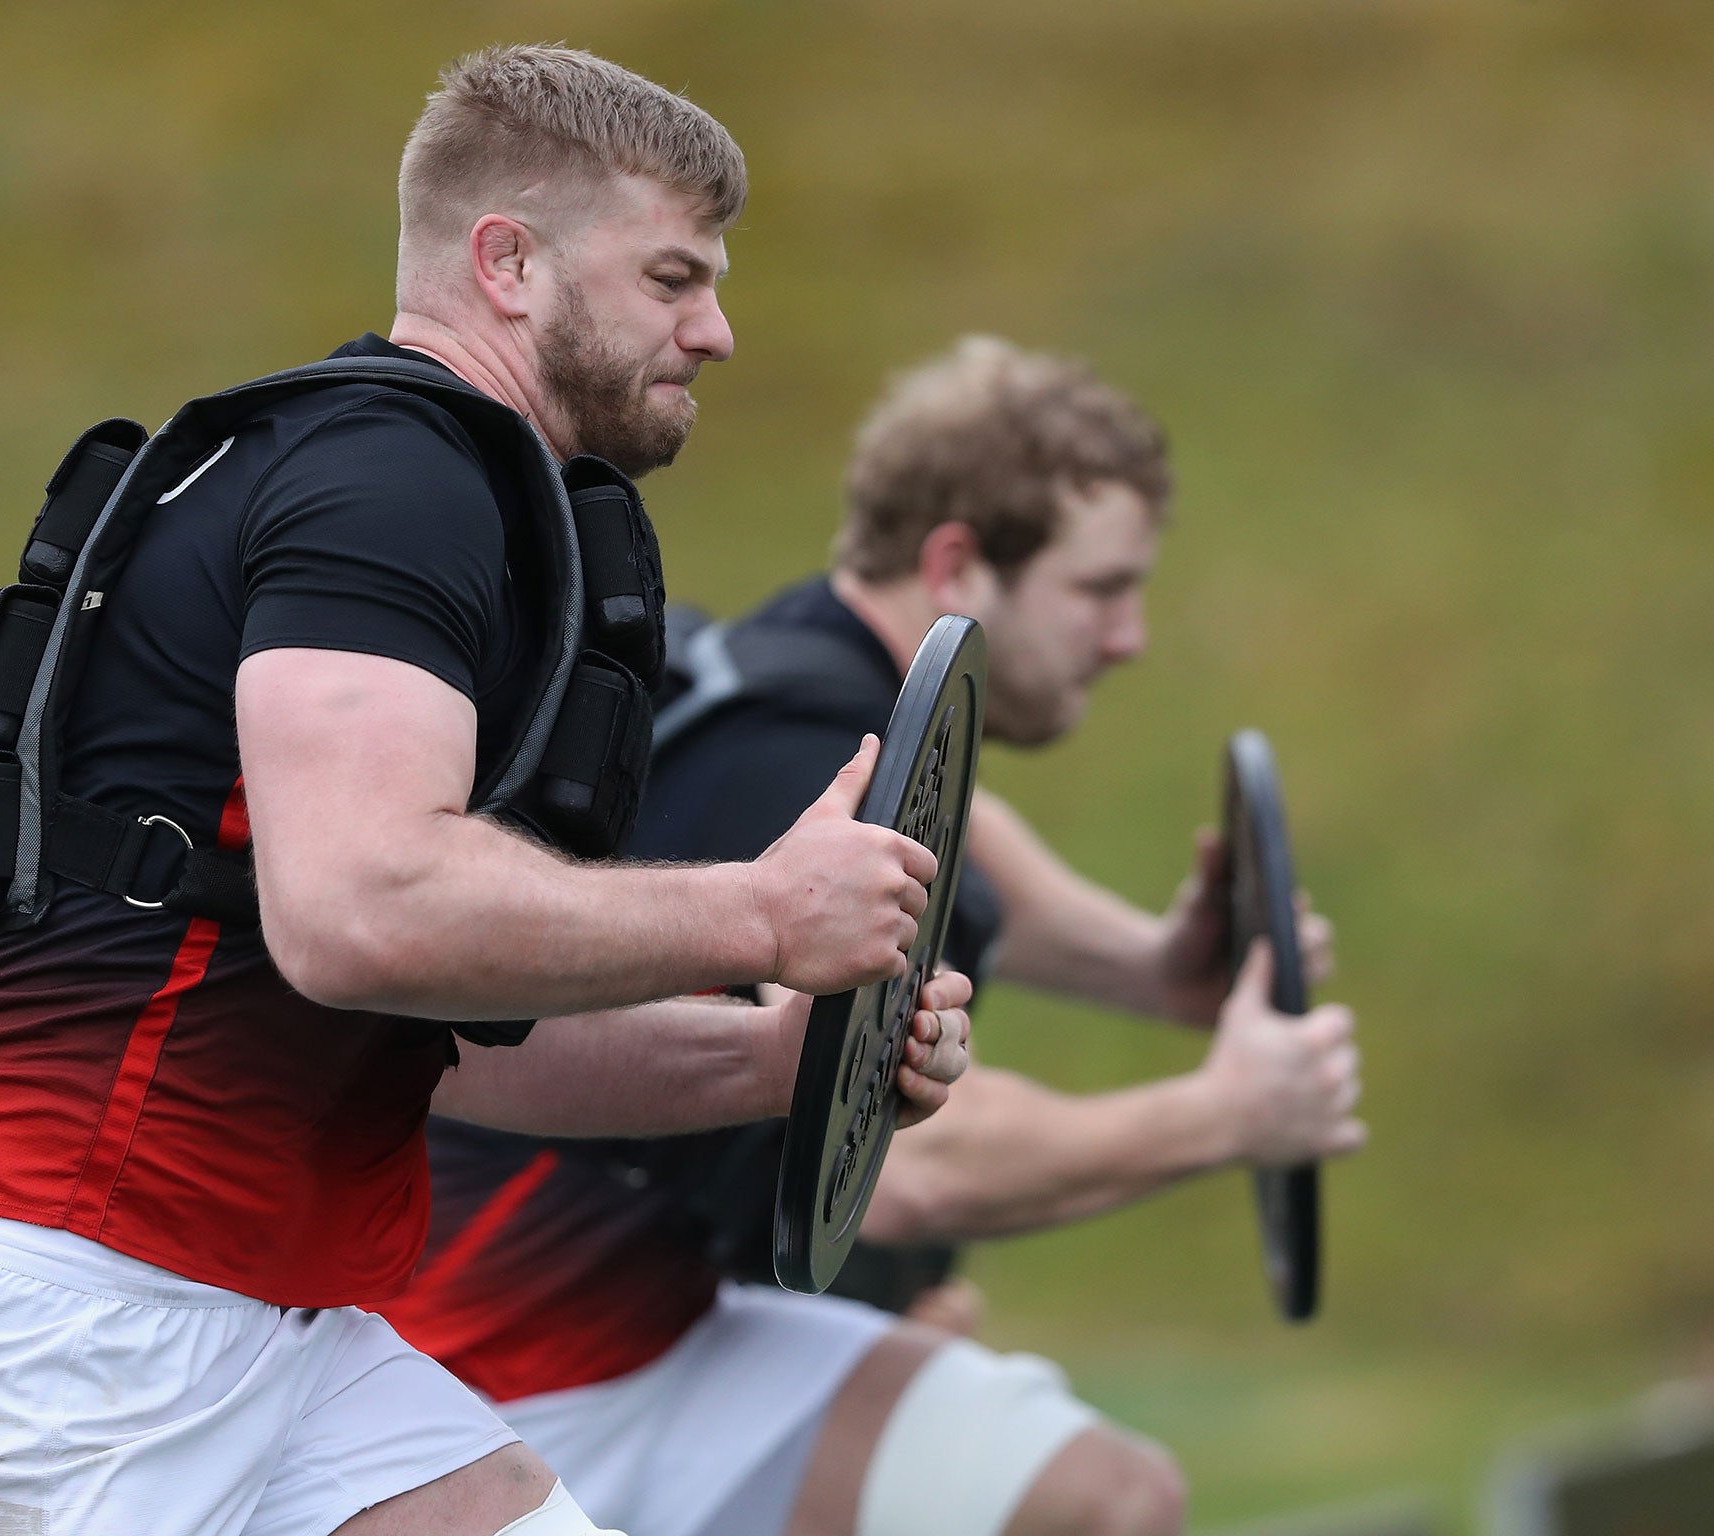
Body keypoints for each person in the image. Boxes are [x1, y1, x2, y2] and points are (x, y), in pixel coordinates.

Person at [0, 46, 972, 1536]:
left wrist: (777, 1063)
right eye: (674, 277)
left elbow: (436, 1039)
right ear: (510, 261)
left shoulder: (440, 490)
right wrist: (760, 913)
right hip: (61, 1332)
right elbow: (358, 915)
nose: (717, 330)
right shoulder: (393, 481)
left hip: (267, 1333)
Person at [383, 338, 1366, 1536]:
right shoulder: (794, 766)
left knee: (1100, 1494)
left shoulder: (799, 686)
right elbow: (904, 1164)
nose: (1129, 637)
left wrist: (1155, 973)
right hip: (523, 1371)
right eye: (1101, 590)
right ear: (955, 561)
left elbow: (963, 849)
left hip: (654, 1324)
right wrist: (1224, 1117)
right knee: (1089, 1497)